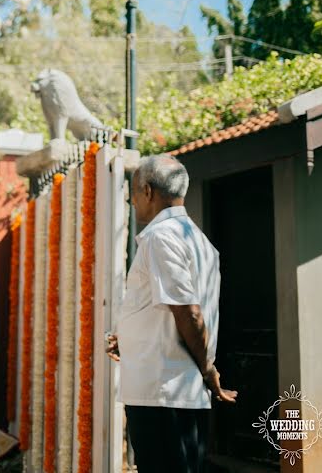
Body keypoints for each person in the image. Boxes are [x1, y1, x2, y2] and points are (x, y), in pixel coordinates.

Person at [107, 155, 237, 473]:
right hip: (176, 391)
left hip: (162, 395)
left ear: (148, 192)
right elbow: (169, 314)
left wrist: (209, 370)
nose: (133, 203)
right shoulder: (200, 242)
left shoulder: (159, 238)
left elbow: (188, 313)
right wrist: (130, 339)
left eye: (133, 195)